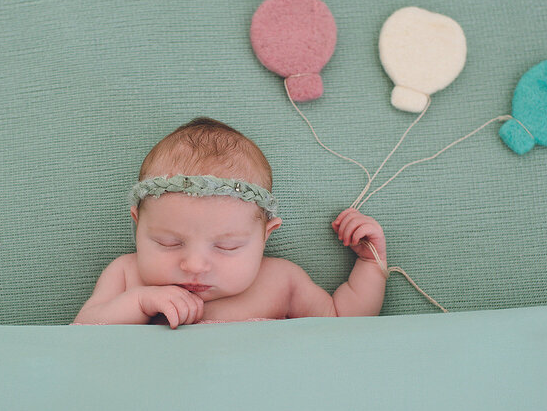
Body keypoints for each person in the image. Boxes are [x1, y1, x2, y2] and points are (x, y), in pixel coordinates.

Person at [73, 117, 387, 328]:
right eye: (168, 242)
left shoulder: (281, 282)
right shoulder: (127, 276)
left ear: (265, 236)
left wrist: (370, 266)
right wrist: (140, 303)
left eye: (227, 246)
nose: (195, 265)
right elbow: (80, 333)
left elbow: (344, 323)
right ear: (138, 225)